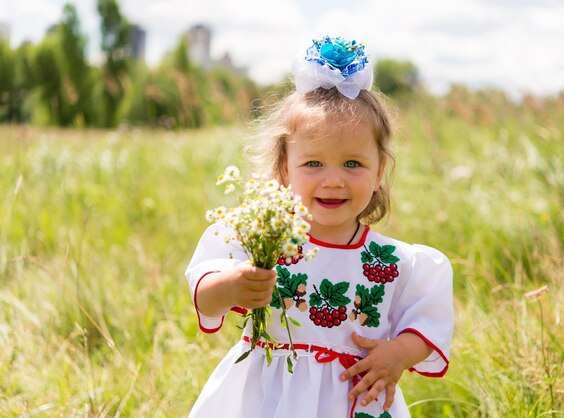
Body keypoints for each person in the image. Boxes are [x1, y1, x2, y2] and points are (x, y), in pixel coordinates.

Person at [185, 35, 454, 418]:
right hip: (266, 400)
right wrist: (233, 285)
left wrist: (398, 353)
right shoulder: (262, 243)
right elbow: (204, 295)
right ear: (284, 169)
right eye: (313, 164)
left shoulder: (393, 261)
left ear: (380, 171)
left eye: (352, 164)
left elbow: (428, 319)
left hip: (354, 397)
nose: (332, 180)